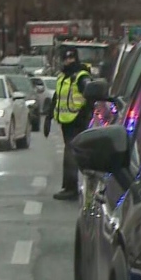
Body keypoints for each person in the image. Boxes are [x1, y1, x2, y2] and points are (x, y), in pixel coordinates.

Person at [44, 47, 92, 201]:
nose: (68, 61)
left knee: (71, 154)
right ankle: (71, 186)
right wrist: (48, 117)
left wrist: (87, 115)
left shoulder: (80, 76)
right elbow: (57, 98)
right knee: (72, 153)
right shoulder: (63, 77)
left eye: (71, 58)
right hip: (66, 121)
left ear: (76, 58)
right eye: (66, 58)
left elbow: (90, 93)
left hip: (77, 120)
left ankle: (72, 187)